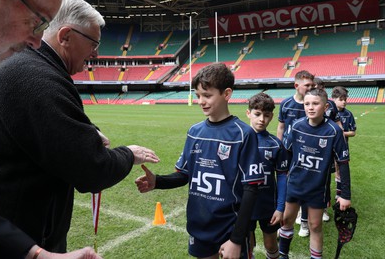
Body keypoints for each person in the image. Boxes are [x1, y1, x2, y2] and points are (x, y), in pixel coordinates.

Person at [0, 0, 160, 255]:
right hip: (18, 237)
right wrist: (128, 154)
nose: (97, 55)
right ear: (65, 36)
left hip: (11, 237)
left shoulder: (17, 65)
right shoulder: (37, 77)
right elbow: (91, 169)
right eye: (93, 43)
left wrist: (83, 134)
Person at [135, 63, 264, 259]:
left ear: (226, 94)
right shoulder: (194, 132)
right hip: (200, 225)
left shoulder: (243, 135)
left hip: (230, 228)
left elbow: (251, 189)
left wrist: (237, 240)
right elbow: (184, 174)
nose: (201, 101)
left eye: (207, 95)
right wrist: (157, 181)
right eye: (198, 96)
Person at [278, 88, 352, 259]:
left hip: (317, 187)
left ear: (325, 106)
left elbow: (343, 163)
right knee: (287, 220)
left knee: (315, 225)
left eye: (315, 104)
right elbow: (286, 155)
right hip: (295, 184)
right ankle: (283, 254)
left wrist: (345, 194)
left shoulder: (334, 131)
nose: (310, 107)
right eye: (307, 104)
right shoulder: (297, 126)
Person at [246, 93, 289, 259]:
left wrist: (280, 208)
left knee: (271, 243)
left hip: (268, 205)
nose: (261, 119)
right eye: (257, 114)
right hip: (244, 205)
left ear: (271, 116)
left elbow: (283, 177)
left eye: (266, 115)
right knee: (247, 243)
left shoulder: (275, 144)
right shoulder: (239, 140)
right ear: (248, 113)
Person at [276, 70, 315, 237]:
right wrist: (278, 147)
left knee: (305, 184)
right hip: (287, 151)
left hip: (305, 152)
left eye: (312, 85)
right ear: (296, 86)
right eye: (307, 85)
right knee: (286, 184)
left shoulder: (312, 104)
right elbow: (281, 127)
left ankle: (304, 220)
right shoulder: (285, 104)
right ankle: (283, 220)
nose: (310, 88)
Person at [314, 78, 343, 222]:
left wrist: (340, 136)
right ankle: (302, 211)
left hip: (326, 147)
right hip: (310, 146)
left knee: (325, 179)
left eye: (320, 87)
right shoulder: (307, 103)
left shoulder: (331, 104)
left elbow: (338, 122)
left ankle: (324, 207)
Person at [332, 86, 356, 198]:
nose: (344, 102)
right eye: (341, 99)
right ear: (334, 99)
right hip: (328, 147)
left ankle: (339, 193)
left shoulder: (348, 114)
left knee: (339, 169)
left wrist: (342, 134)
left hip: (342, 147)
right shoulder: (328, 113)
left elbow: (353, 132)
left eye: (345, 99)